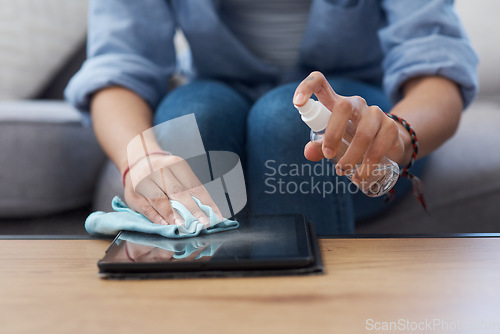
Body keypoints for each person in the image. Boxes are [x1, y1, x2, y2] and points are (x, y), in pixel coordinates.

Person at [65, 0, 478, 235]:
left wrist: (396, 133)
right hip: (216, 91)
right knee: (193, 126)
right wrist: (139, 158)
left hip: (354, 106)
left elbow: (435, 64)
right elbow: (120, 64)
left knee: (285, 121)